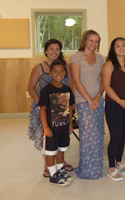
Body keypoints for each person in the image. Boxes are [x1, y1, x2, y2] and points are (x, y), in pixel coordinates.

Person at [27, 39, 74, 178]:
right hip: (43, 109)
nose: (54, 51)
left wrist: (72, 104)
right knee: (45, 138)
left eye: (57, 49)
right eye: (51, 49)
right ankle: (47, 166)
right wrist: (43, 104)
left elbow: (71, 85)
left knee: (60, 136)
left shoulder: (65, 66)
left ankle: (61, 162)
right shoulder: (39, 68)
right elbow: (31, 87)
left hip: (61, 109)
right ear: (46, 50)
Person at [71, 30, 105, 179]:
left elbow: (104, 80)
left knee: (97, 134)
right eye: (91, 40)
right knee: (88, 135)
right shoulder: (76, 57)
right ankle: (88, 171)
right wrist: (90, 100)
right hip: (83, 100)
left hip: (98, 99)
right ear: (85, 41)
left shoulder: (100, 58)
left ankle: (96, 166)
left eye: (96, 41)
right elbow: (77, 81)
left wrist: (97, 97)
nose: (94, 44)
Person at [103, 37, 125, 181]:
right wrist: (119, 101)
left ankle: (118, 162)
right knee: (115, 135)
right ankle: (111, 168)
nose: (121, 48)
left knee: (122, 135)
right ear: (113, 49)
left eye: (124, 45)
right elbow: (106, 86)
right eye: (118, 46)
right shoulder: (109, 64)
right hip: (113, 105)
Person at [38, 59, 75, 187]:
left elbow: (70, 108)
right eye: (55, 71)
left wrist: (70, 124)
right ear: (50, 73)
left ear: (65, 73)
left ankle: (60, 171)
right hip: (51, 129)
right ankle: (53, 175)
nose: (58, 74)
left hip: (64, 127)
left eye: (61, 71)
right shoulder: (46, 90)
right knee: (51, 152)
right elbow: (42, 109)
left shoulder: (67, 89)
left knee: (61, 150)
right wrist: (46, 127)